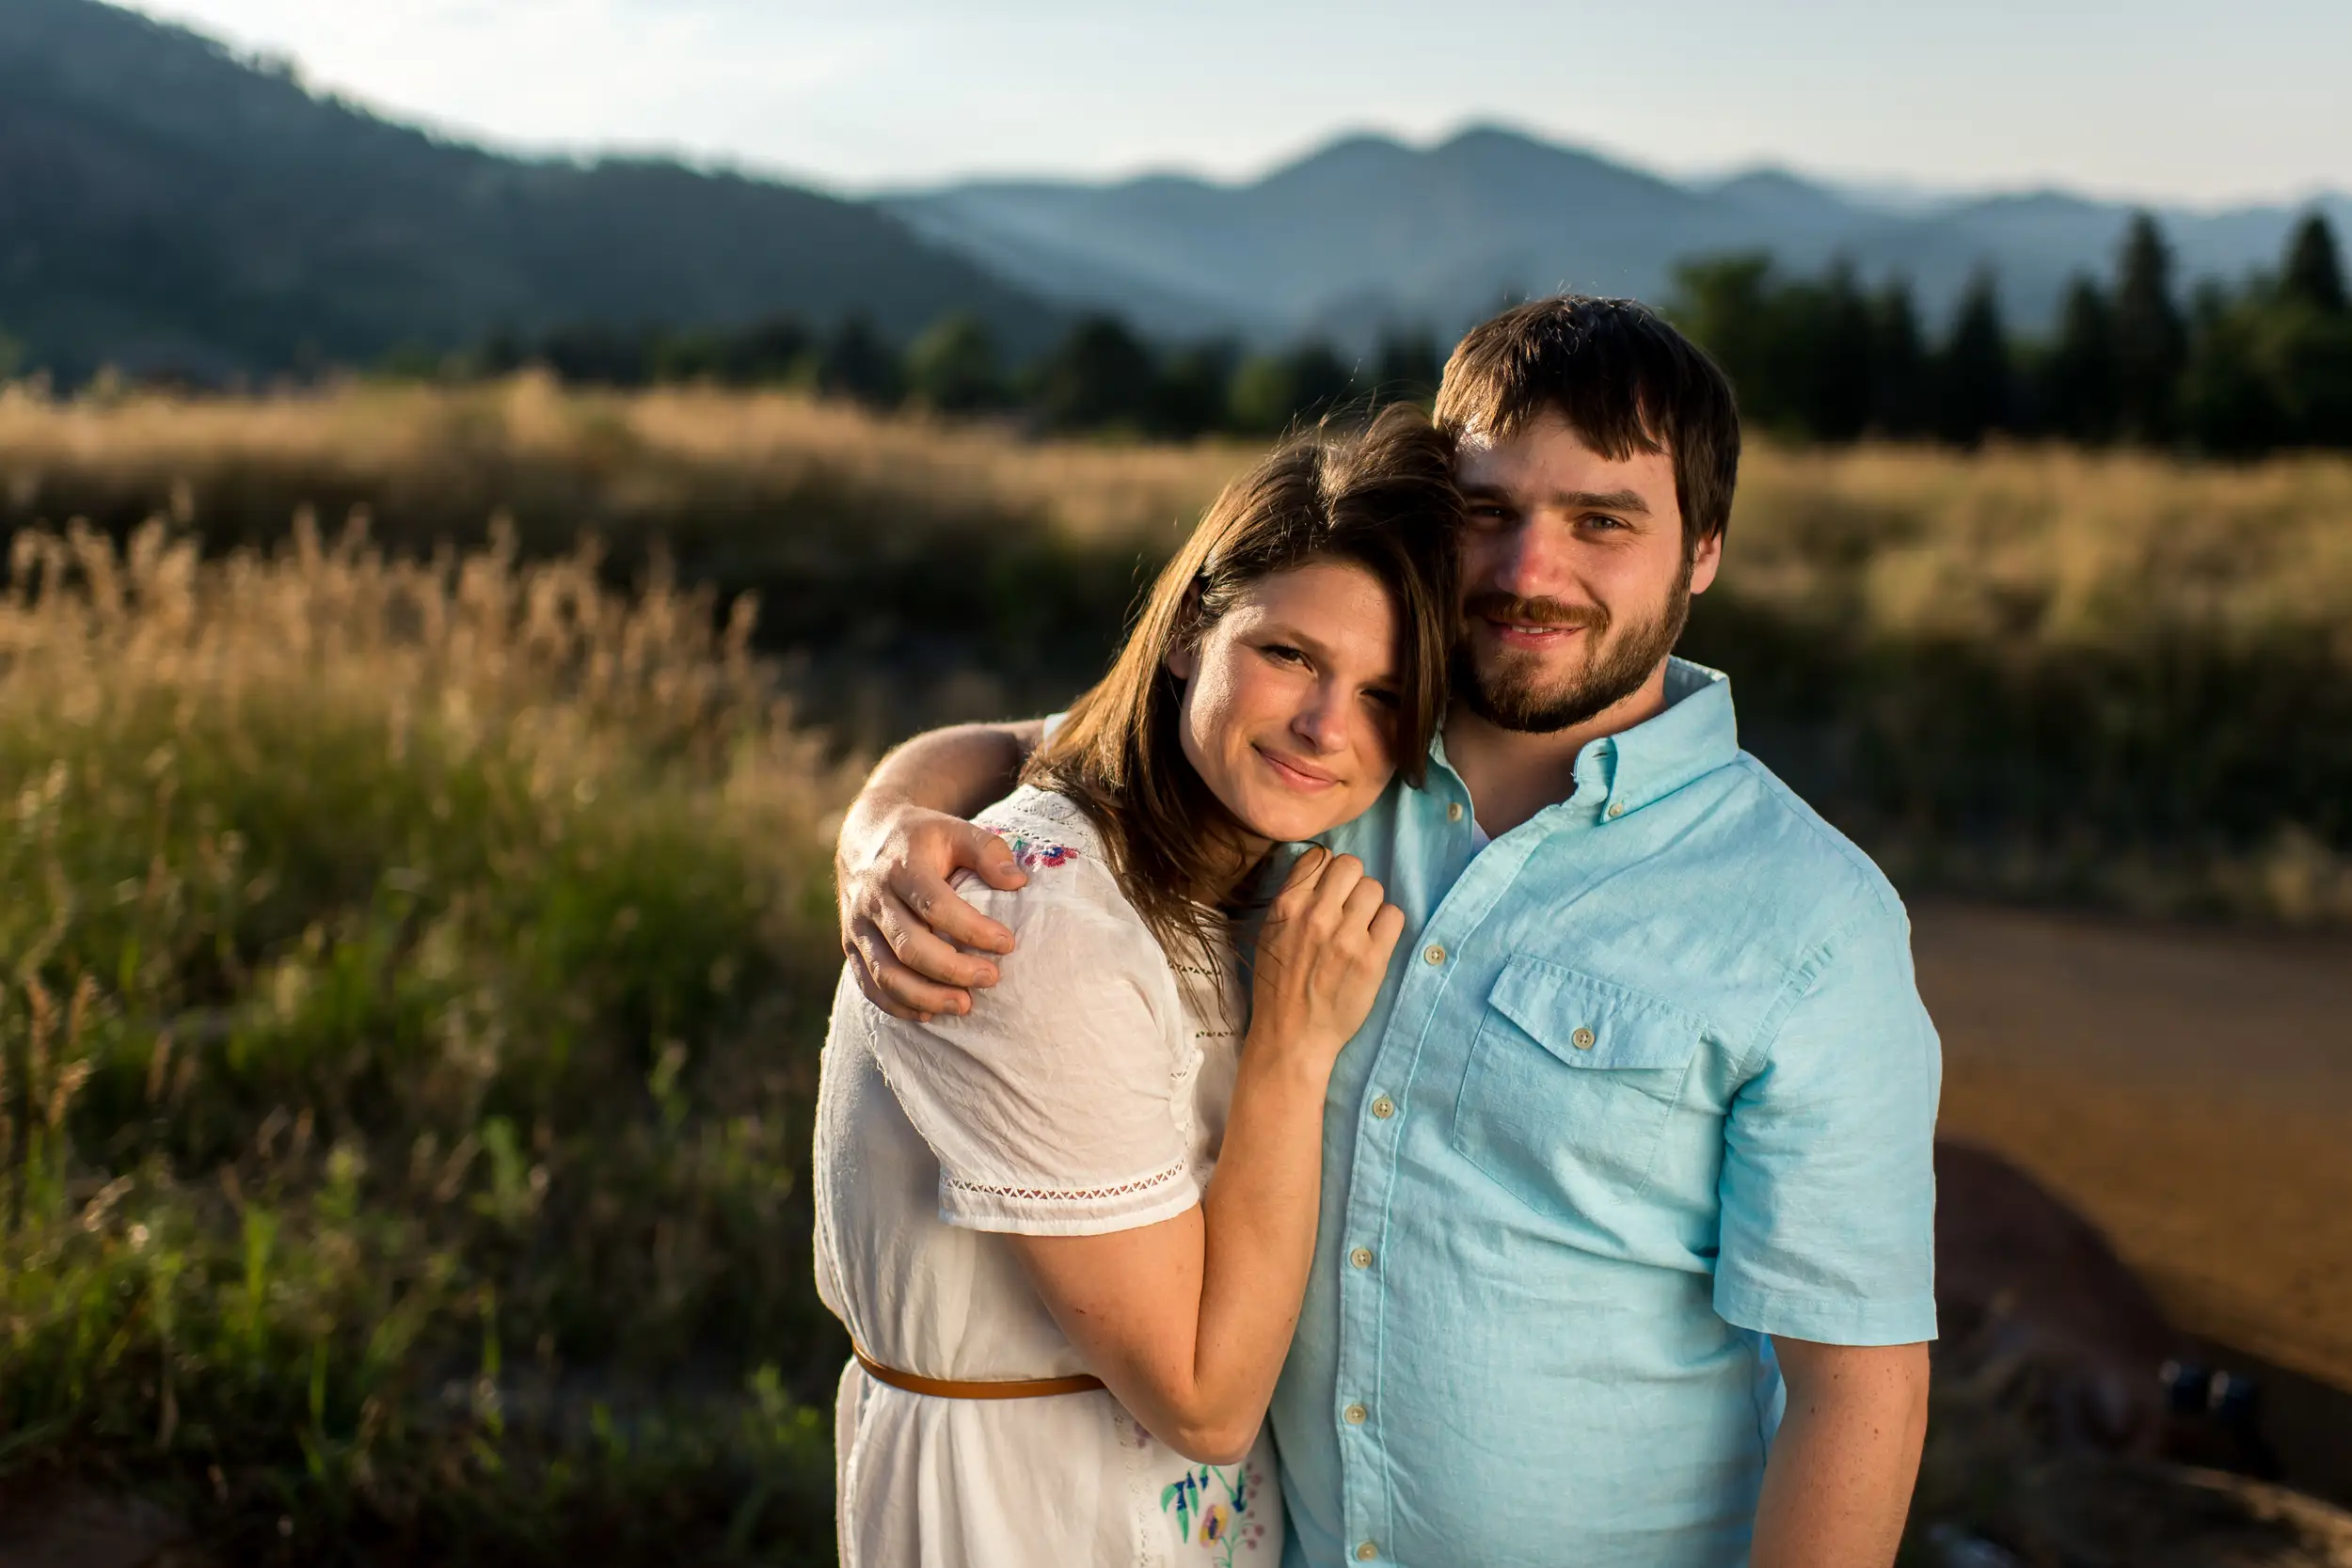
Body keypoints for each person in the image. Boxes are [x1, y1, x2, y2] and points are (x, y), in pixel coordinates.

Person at [834, 296, 1942, 1568]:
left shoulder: (1812, 918)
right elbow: (1056, 748)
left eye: (1602, 521)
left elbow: (1857, 1384)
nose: (1532, 570)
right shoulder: (1338, 754)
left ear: (1702, 550)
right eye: (1491, 512)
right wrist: (881, 831)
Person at [814, 405, 1463, 1567]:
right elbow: (1204, 1400)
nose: (1326, 726)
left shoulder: (1193, 825)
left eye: (1383, 693)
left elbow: (1029, 736)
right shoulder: (1037, 922)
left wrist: (877, 813)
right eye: (1290, 655)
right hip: (1028, 1507)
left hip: (1182, 1508)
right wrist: (1292, 1047)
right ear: (1186, 634)